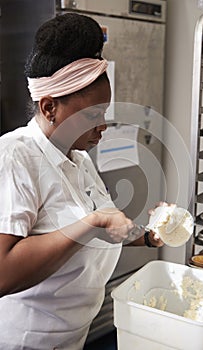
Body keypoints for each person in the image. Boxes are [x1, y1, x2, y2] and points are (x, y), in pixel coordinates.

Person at [0, 13, 164, 350]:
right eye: (92, 116)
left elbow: (103, 228)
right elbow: (2, 272)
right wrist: (90, 223)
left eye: (104, 113)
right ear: (49, 108)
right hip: (29, 340)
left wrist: (147, 236)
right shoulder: (15, 157)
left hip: (74, 333)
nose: (102, 127)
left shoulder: (79, 158)